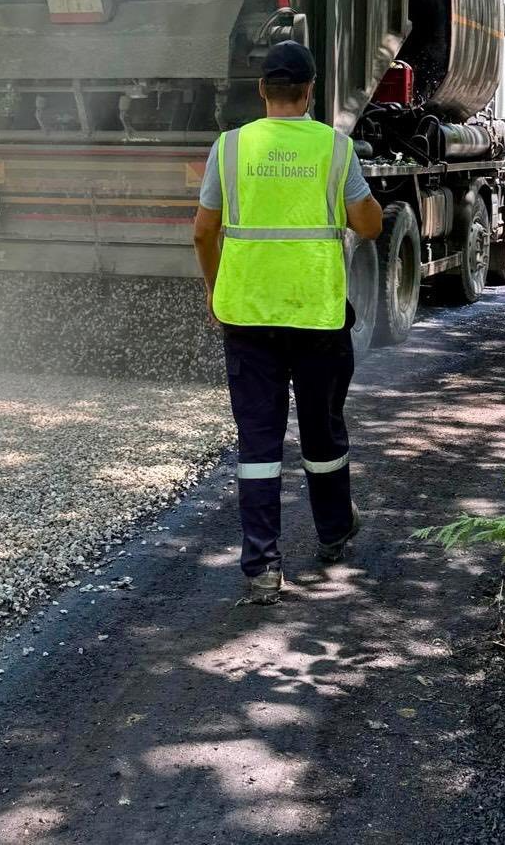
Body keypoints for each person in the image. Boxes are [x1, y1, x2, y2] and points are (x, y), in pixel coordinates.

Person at [193, 40, 382, 604]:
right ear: (310, 91)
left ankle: (262, 570)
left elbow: (203, 231)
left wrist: (215, 288)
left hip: (248, 316)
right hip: (317, 315)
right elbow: (369, 227)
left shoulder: (229, 148)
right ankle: (332, 533)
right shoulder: (334, 148)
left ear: (261, 91)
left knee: (258, 442)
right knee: (322, 432)